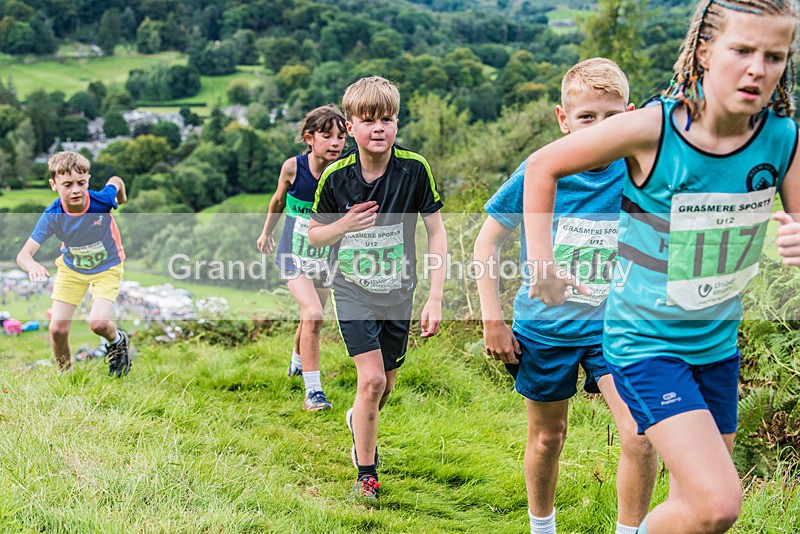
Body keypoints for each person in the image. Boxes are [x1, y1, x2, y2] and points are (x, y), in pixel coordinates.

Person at [522, 2, 800, 532]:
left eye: (775, 56)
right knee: (719, 502)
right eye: (742, 50)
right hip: (644, 342)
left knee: (700, 517)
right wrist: (543, 264)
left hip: (717, 345)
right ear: (703, 52)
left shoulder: (780, 138)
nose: (757, 69)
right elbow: (543, 165)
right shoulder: (654, 128)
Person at [475, 58, 658, 534]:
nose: (600, 129)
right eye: (586, 118)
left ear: (632, 115)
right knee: (548, 437)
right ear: (563, 119)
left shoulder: (639, 172)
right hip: (545, 329)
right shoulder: (540, 170)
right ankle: (542, 528)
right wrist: (492, 320)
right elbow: (486, 242)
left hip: (615, 329)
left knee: (640, 434)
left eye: (613, 117)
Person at [308, 76, 447, 501]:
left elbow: (437, 233)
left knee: (384, 387)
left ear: (397, 123)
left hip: (398, 292)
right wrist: (344, 225)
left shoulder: (415, 169)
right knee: (369, 382)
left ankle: (358, 421)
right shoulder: (335, 176)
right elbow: (314, 234)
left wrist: (436, 295)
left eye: (387, 119)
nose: (379, 128)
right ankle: (365, 473)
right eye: (368, 120)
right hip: (351, 289)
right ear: (350, 127)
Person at [257, 104, 347, 412]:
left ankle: (296, 365)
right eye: (327, 136)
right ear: (309, 138)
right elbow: (278, 200)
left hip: (325, 257)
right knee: (314, 314)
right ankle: (314, 392)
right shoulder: (293, 168)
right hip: (292, 254)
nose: (335, 143)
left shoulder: (345, 171)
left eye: (341, 136)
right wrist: (266, 232)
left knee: (311, 315)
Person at [16, 151, 131, 376]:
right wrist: (33, 266)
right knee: (57, 330)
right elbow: (23, 255)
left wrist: (122, 198)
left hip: (108, 267)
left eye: (81, 183)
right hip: (71, 270)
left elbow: (115, 181)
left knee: (98, 323)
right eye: (67, 184)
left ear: (88, 180)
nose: (76, 189)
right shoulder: (53, 215)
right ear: (54, 185)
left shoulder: (101, 201)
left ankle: (117, 342)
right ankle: (66, 377)